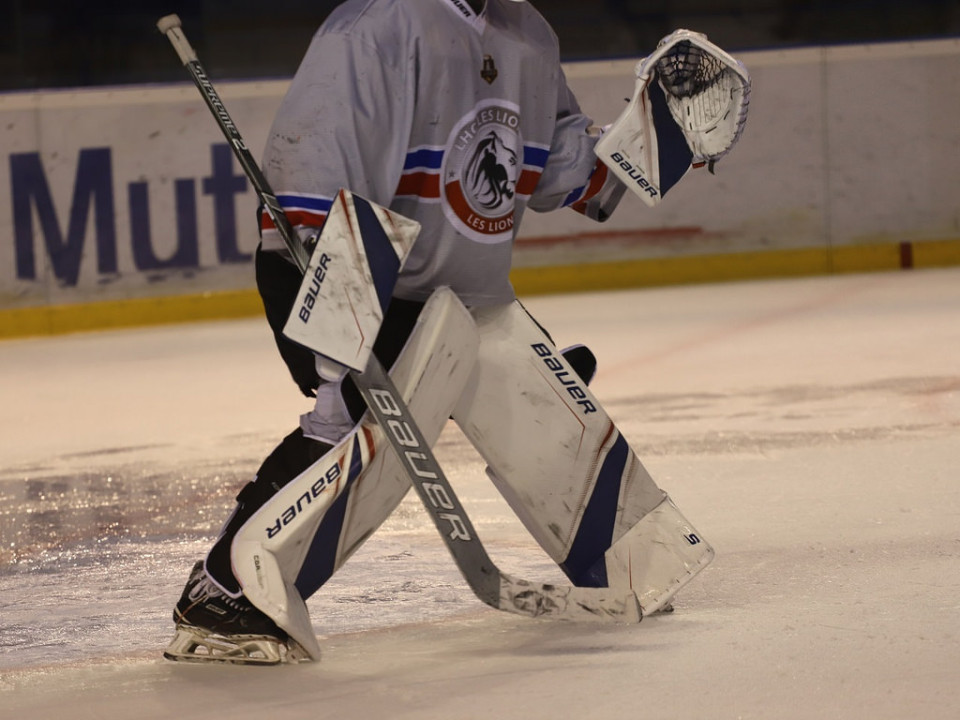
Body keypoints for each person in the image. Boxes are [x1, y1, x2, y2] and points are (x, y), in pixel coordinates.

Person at [165, 0, 669, 663]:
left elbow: (570, 175)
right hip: (343, 269)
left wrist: (655, 139)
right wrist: (341, 352)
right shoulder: (375, 28)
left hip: (464, 297)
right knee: (354, 427)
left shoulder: (529, 34)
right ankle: (224, 594)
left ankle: (630, 564)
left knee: (540, 392)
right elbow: (314, 181)